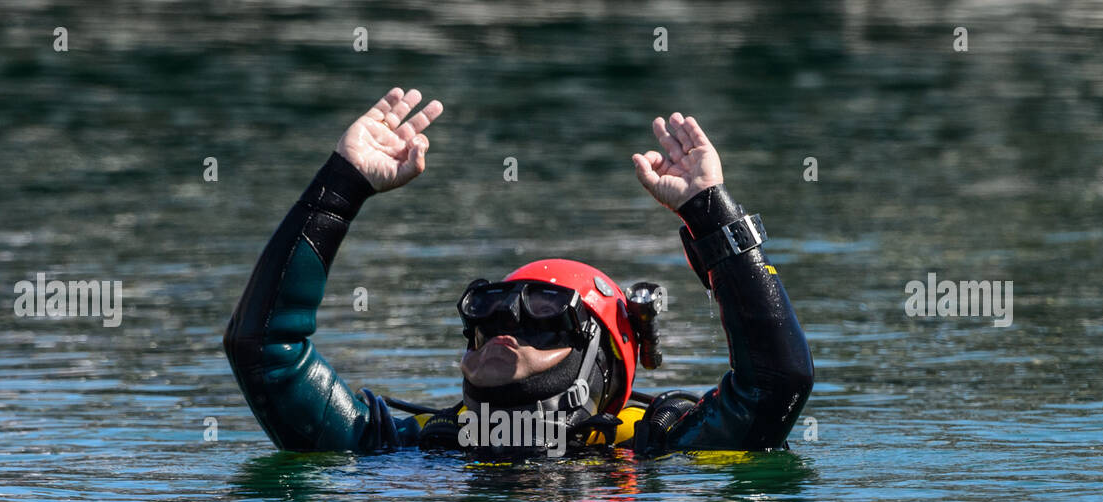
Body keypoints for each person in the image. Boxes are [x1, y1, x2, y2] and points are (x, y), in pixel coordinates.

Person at [223, 87, 814, 456]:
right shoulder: (414, 447)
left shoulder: (660, 450)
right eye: (491, 311)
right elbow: (264, 348)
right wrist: (342, 185)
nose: (508, 327)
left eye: (545, 319)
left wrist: (711, 213)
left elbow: (776, 381)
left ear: (600, 365)